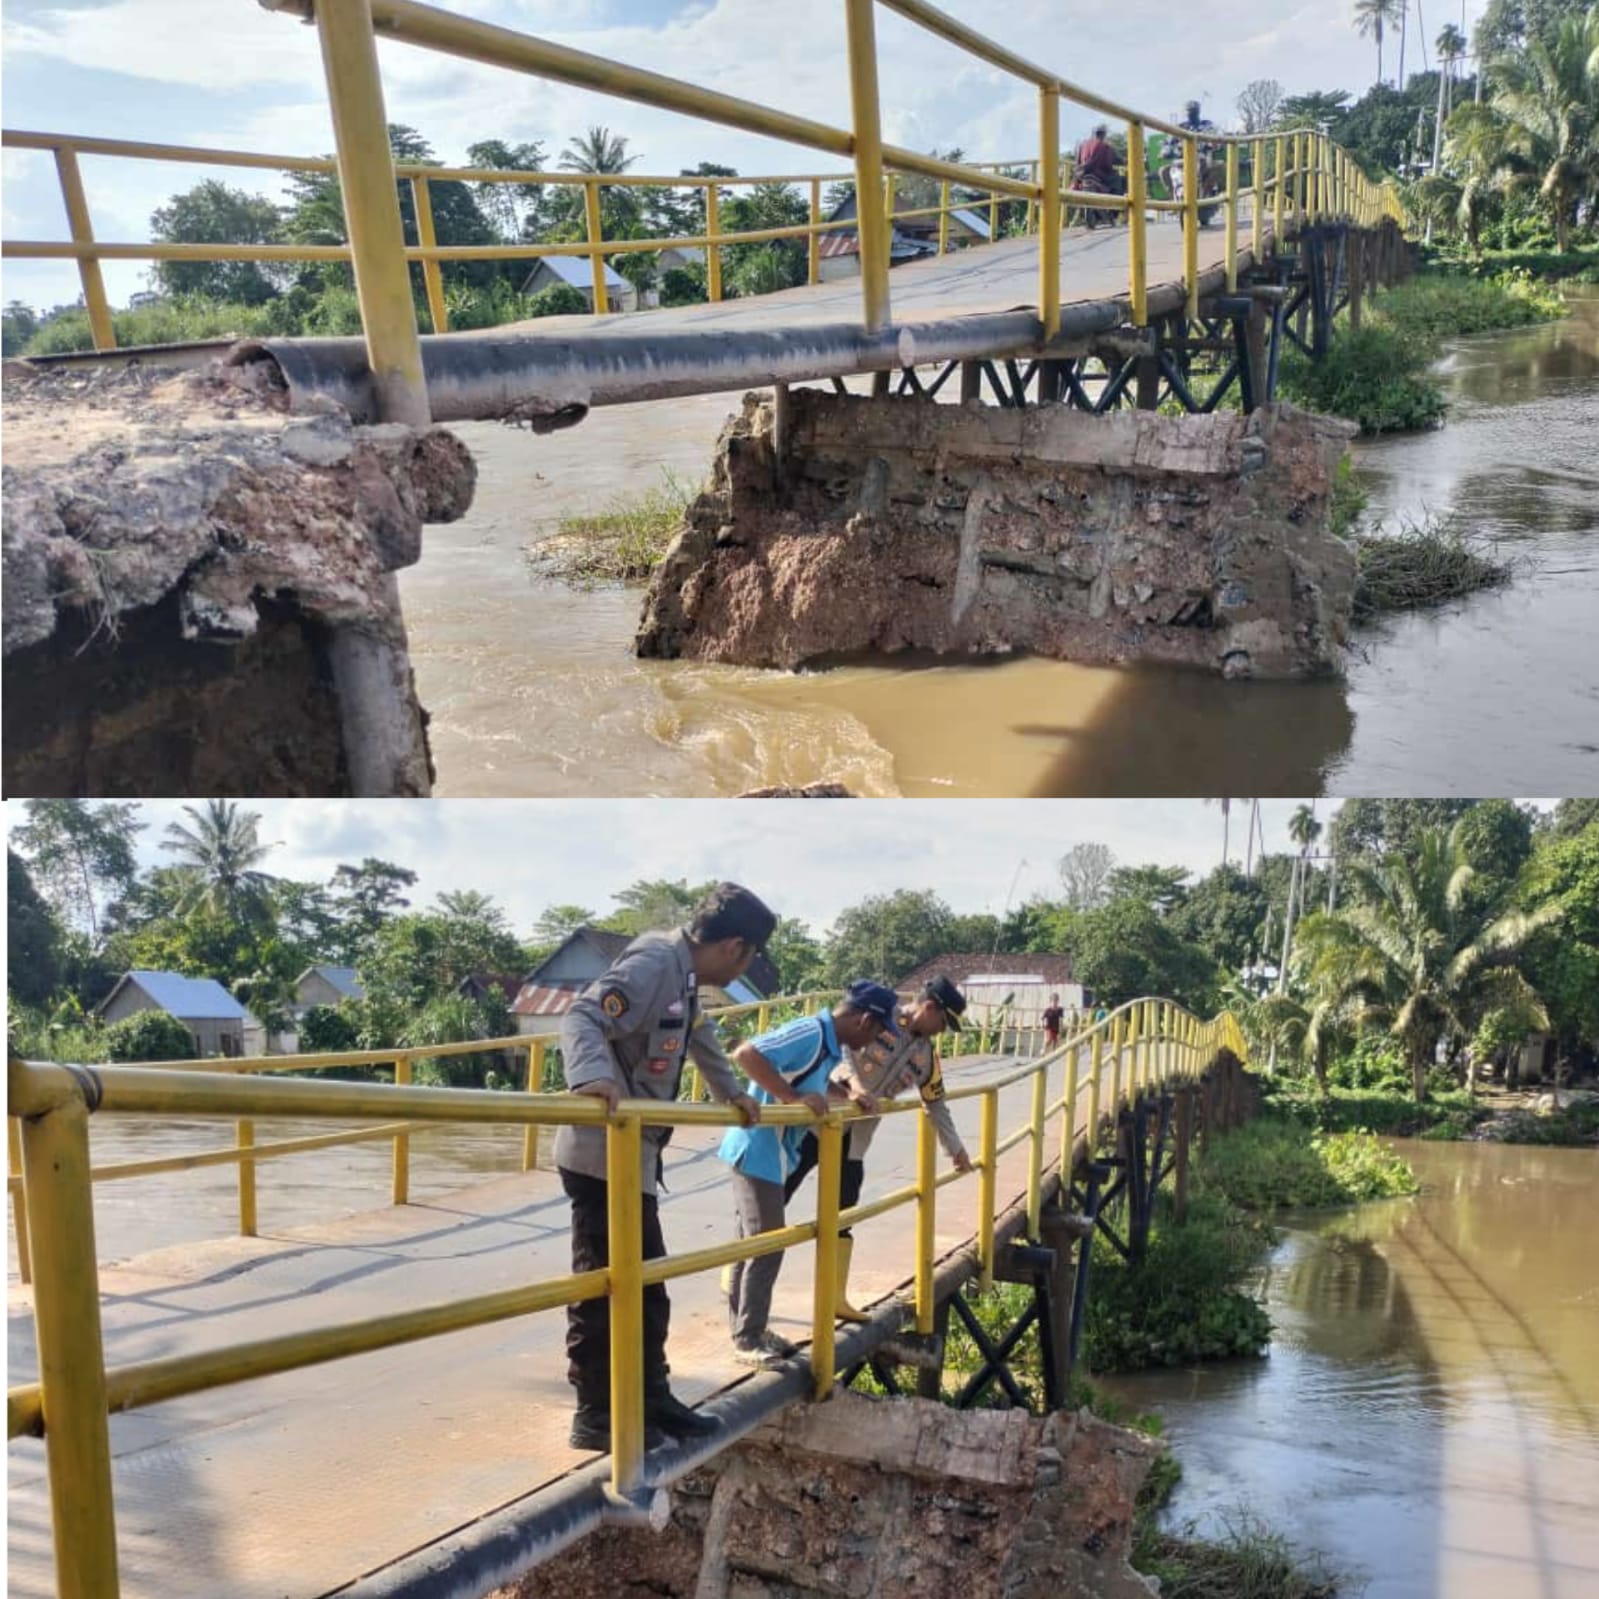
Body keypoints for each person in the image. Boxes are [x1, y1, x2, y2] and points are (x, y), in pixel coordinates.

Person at [556, 882, 772, 1452]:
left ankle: (650, 1397)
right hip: (601, 1152)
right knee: (605, 1284)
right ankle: (595, 1413)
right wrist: (591, 1077)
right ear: (735, 948)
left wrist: (734, 1094)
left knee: (647, 1286)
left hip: (632, 1155)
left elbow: (697, 1037)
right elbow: (582, 1017)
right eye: (751, 956)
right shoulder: (656, 962)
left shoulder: (685, 976)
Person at [716, 982, 900, 1366]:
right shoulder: (812, 1031)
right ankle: (747, 1339)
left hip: (771, 1152)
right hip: (757, 1149)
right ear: (865, 1020)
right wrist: (791, 1098)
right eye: (874, 1032)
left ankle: (749, 1330)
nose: (870, 1042)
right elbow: (747, 1053)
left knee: (751, 1244)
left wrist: (846, 1095)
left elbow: (813, 1081)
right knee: (766, 1243)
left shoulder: (827, 1044)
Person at [787, 975, 974, 1322]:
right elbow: (840, 1041)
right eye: (943, 1023)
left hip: (855, 1141)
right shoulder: (879, 1013)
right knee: (777, 1191)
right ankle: (737, 1272)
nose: (941, 1031)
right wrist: (855, 1085)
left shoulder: (926, 1057)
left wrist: (957, 1150)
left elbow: (936, 1105)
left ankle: (833, 1297)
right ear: (930, 1008)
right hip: (818, 1122)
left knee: (845, 1214)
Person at [1074, 122, 1121, 191]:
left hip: (1081, 175)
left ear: (1094, 134)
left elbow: (1077, 163)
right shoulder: (1106, 146)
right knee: (1118, 181)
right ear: (1103, 134)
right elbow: (1111, 163)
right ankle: (1118, 200)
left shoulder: (1082, 145)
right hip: (1100, 176)